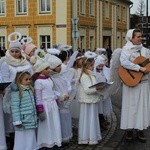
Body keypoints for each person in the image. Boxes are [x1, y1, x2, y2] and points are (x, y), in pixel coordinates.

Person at [120, 29, 150, 143]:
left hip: (144, 83)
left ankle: (140, 129)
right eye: (138, 36)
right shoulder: (126, 50)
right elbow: (124, 62)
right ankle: (129, 129)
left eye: (141, 36)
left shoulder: (145, 50)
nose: (140, 38)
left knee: (142, 107)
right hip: (131, 83)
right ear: (131, 38)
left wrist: (145, 67)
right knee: (130, 107)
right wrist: (139, 68)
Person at [31, 57, 62, 149]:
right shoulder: (38, 82)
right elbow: (38, 96)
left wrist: (56, 100)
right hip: (45, 105)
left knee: (54, 122)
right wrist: (40, 109)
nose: (49, 70)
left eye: (49, 68)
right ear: (40, 70)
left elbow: (52, 91)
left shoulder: (49, 79)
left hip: (52, 104)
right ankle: (45, 141)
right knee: (46, 124)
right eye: (46, 69)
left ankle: (54, 139)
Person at [77, 51, 104, 145]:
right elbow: (88, 90)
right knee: (87, 120)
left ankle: (93, 136)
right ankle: (86, 137)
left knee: (92, 119)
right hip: (87, 101)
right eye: (92, 65)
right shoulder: (84, 76)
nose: (93, 67)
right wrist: (98, 88)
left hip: (92, 100)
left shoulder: (91, 74)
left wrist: (100, 88)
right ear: (87, 65)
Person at [10, 71, 37, 150]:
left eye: (29, 79)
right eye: (26, 79)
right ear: (19, 80)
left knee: (30, 138)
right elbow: (15, 108)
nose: (29, 81)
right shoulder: (17, 92)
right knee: (21, 139)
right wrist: (17, 121)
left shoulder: (30, 90)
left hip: (31, 119)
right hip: (23, 121)